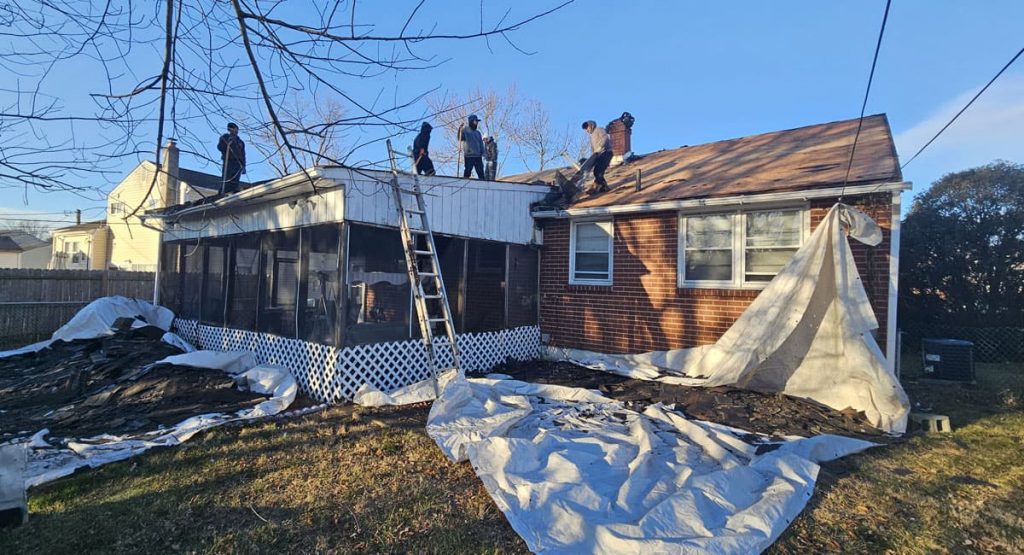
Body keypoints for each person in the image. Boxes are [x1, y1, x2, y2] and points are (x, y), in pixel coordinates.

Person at [582, 120, 613, 193]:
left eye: (587, 128)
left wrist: (600, 147)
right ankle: (602, 187)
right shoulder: (592, 136)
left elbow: (605, 138)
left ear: (591, 125)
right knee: (597, 171)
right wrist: (592, 157)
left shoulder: (599, 129)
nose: (587, 130)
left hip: (606, 152)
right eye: (585, 129)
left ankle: (598, 187)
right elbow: (593, 149)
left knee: (598, 171)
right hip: (599, 155)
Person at [217, 122, 246, 194]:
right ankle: (224, 191)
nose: (235, 131)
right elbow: (220, 147)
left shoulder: (240, 142)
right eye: (232, 129)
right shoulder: (225, 137)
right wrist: (228, 142)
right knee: (227, 178)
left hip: (238, 163)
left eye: (235, 129)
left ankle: (233, 191)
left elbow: (243, 154)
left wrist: (244, 165)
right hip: (229, 161)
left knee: (235, 180)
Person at [459, 114, 485, 179]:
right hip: (469, 155)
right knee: (468, 171)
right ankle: (464, 183)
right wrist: (460, 130)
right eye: (475, 121)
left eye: (477, 122)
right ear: (471, 121)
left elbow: (481, 143)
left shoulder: (478, 133)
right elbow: (460, 138)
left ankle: (484, 185)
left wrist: (483, 152)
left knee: (481, 172)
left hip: (478, 156)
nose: (476, 123)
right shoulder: (465, 130)